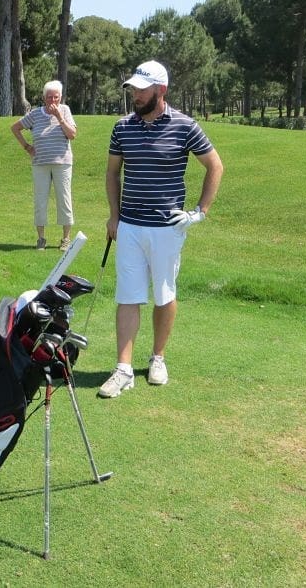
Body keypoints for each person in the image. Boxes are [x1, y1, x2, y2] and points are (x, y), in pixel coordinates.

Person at [98, 60, 224, 399]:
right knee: (128, 295)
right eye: (133, 89)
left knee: (164, 294)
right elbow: (112, 173)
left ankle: (158, 357)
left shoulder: (185, 126)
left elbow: (215, 166)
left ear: (161, 90)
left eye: (142, 89)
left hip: (168, 229)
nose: (136, 95)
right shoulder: (122, 128)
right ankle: (123, 369)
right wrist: (114, 216)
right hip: (130, 226)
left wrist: (199, 212)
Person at [11, 80, 77, 252]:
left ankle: (66, 239)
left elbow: (72, 135)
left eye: (56, 97)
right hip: (40, 164)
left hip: (62, 163)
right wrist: (27, 147)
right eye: (49, 97)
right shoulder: (35, 114)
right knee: (40, 200)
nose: (52, 100)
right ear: (44, 98)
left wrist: (60, 118)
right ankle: (41, 239)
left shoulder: (65, 110)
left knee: (64, 199)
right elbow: (15, 128)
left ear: (60, 97)